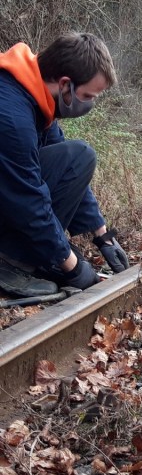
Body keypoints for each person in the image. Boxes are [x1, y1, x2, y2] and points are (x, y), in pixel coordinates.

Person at [0, 32, 129, 298]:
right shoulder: (12, 117)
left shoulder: (33, 97)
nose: (90, 104)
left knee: (78, 157)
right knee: (80, 154)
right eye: (88, 95)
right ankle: (9, 263)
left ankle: (25, 257)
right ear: (65, 84)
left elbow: (70, 171)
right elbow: (28, 201)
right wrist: (70, 266)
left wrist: (102, 235)